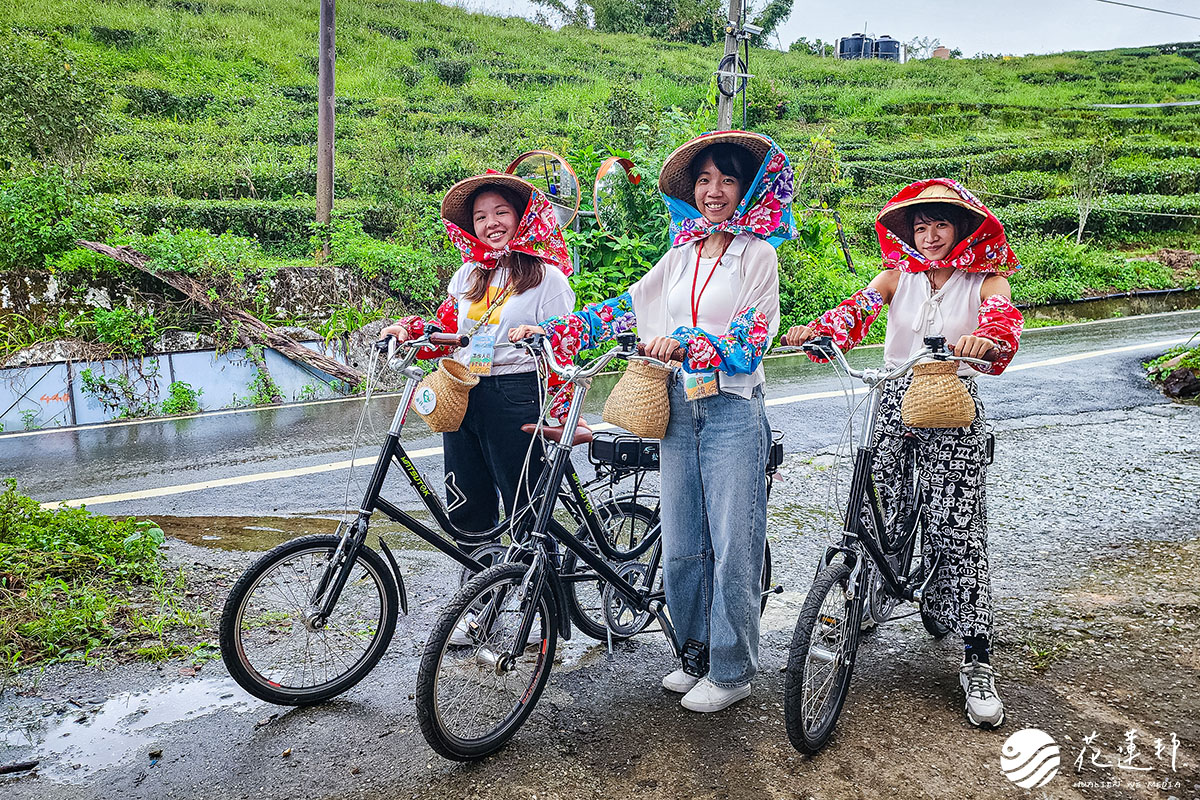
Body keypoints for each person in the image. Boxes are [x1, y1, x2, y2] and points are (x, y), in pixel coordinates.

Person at [512, 131, 796, 713]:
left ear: (748, 190)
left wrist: (689, 343)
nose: (712, 191)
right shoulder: (682, 254)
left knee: (732, 543)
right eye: (703, 181)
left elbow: (752, 336)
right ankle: (694, 655)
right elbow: (622, 309)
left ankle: (733, 667)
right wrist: (556, 331)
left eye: (726, 180)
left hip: (732, 412)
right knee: (684, 542)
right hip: (674, 407)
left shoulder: (758, 256)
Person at [782, 178, 1024, 728]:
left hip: (951, 399)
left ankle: (975, 653)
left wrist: (987, 341)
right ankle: (862, 599)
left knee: (956, 525)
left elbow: (1002, 318)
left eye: (941, 224)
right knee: (873, 504)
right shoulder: (899, 273)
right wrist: (819, 331)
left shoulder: (985, 278)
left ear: (962, 228)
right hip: (893, 395)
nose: (930, 235)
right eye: (920, 225)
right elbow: (857, 309)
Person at [379, 174, 575, 534]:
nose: (491, 224)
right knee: (466, 505)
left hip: (517, 393)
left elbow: (563, 348)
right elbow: (448, 330)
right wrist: (410, 331)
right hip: (463, 393)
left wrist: (562, 416)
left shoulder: (548, 278)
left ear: (522, 218)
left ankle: (540, 587)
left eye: (501, 212)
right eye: (481, 217)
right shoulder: (468, 273)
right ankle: (480, 586)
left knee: (525, 509)